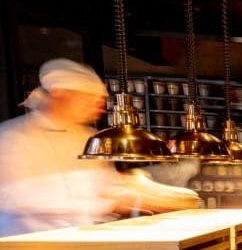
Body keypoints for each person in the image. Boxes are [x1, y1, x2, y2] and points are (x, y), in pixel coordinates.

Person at [0, 58, 198, 236]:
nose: (100, 109)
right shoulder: (12, 137)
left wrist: (153, 192)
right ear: (60, 94)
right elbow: (12, 197)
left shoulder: (88, 137)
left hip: (85, 240)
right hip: (29, 248)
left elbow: (108, 185)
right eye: (89, 101)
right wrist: (110, 202)